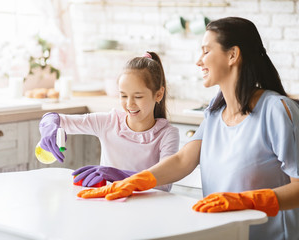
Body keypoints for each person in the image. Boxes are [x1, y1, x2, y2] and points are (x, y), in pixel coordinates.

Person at [77, 17, 299, 240]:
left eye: (205, 51)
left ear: (232, 55)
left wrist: (248, 201)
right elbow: (184, 160)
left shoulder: (277, 111)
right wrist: (136, 182)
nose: (198, 61)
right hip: (227, 234)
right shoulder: (215, 111)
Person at [38, 51, 179, 191]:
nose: (129, 104)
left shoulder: (167, 134)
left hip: (150, 208)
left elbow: (164, 182)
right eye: (123, 96)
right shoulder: (109, 122)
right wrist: (49, 128)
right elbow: (53, 118)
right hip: (111, 204)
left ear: (158, 94)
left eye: (138, 96)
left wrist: (119, 175)